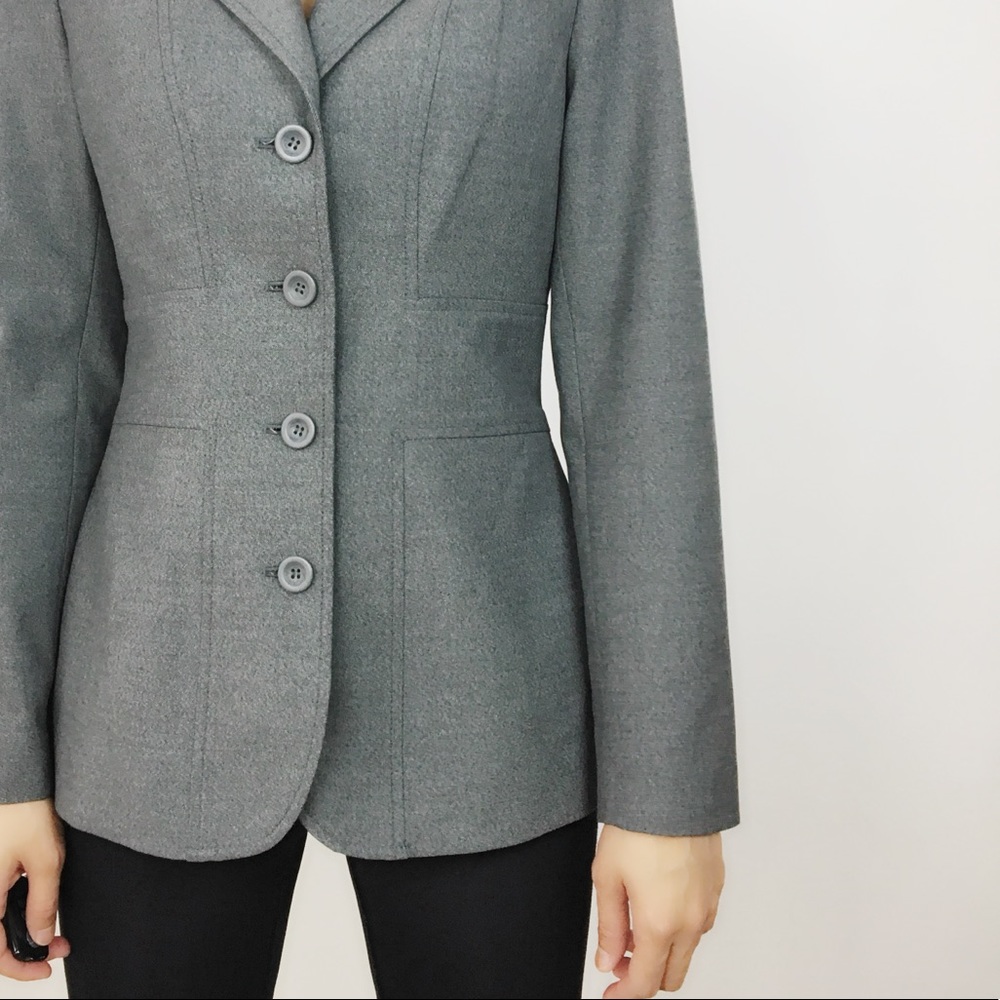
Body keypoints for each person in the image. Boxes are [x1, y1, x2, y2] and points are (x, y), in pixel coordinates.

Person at [0, 1, 740, 997]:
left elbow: (637, 356)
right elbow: (36, 357)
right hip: (153, 683)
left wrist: (668, 793)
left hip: (484, 683)